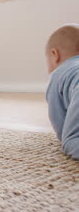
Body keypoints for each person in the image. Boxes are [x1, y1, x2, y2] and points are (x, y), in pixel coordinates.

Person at [45, 24, 79, 160]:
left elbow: (60, 122)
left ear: (55, 55)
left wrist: (66, 136)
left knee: (71, 140)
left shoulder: (59, 74)